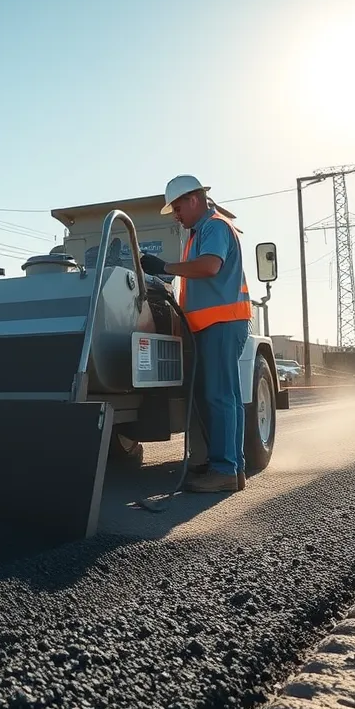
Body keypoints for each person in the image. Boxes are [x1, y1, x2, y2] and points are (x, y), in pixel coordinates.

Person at [139, 175, 252, 493]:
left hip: (221, 323)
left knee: (219, 397)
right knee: (224, 396)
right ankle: (233, 468)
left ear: (193, 199)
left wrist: (165, 267)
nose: (176, 215)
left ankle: (224, 470)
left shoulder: (213, 227)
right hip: (215, 325)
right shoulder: (199, 232)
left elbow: (209, 266)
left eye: (177, 207)